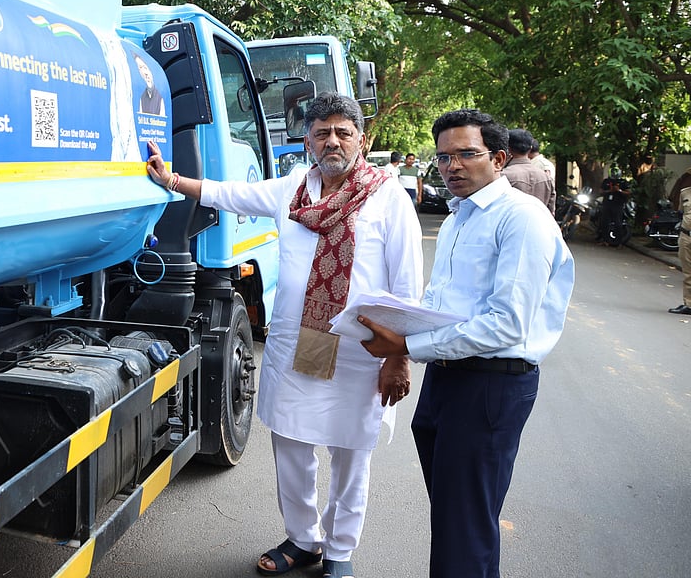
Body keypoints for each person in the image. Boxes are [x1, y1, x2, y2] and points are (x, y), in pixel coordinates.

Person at [145, 93, 422, 578]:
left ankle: (339, 551)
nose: (332, 140)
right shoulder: (292, 189)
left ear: (361, 137)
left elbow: (407, 283)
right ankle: (303, 540)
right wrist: (171, 179)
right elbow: (228, 194)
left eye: (342, 131)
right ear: (308, 140)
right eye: (321, 132)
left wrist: (399, 357)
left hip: (362, 350)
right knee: (292, 448)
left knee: (350, 456)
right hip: (297, 344)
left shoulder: (388, 197)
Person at [357, 108, 575, 578]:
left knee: (465, 526)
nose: (451, 166)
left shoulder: (521, 218)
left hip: (489, 386)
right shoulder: (461, 218)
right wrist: (401, 334)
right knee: (460, 522)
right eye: (442, 158)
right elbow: (442, 299)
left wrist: (405, 348)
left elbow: (506, 325)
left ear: (498, 158)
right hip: (447, 380)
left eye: (466, 155)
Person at [502, 128, 555, 214]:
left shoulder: (502, 176)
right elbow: (551, 212)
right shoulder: (546, 178)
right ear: (530, 148)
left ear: (508, 148)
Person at [669, 184, 691, 315]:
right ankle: (689, 304)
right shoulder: (685, 193)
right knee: (688, 272)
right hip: (686, 236)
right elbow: (680, 212)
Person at [595, 173, 631, 246]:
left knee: (618, 223)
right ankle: (605, 240)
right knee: (604, 223)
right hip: (607, 204)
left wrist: (619, 190)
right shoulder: (606, 181)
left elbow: (628, 192)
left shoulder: (623, 182)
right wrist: (609, 191)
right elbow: (600, 192)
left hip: (618, 205)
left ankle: (619, 242)